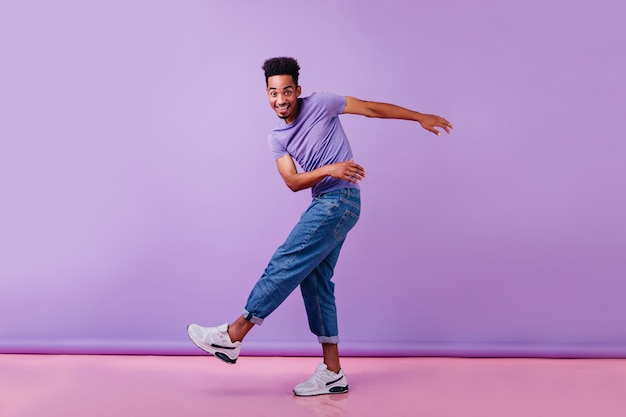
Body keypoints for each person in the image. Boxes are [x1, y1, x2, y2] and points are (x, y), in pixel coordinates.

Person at [187, 57, 453, 396]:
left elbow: (371, 109)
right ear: (266, 95)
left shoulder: (323, 102)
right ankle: (332, 371)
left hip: (339, 202)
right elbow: (293, 181)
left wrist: (418, 117)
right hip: (327, 202)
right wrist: (329, 169)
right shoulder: (277, 138)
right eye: (272, 93)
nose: (280, 100)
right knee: (315, 282)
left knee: (287, 260)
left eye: (286, 91)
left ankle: (233, 335)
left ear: (297, 90)